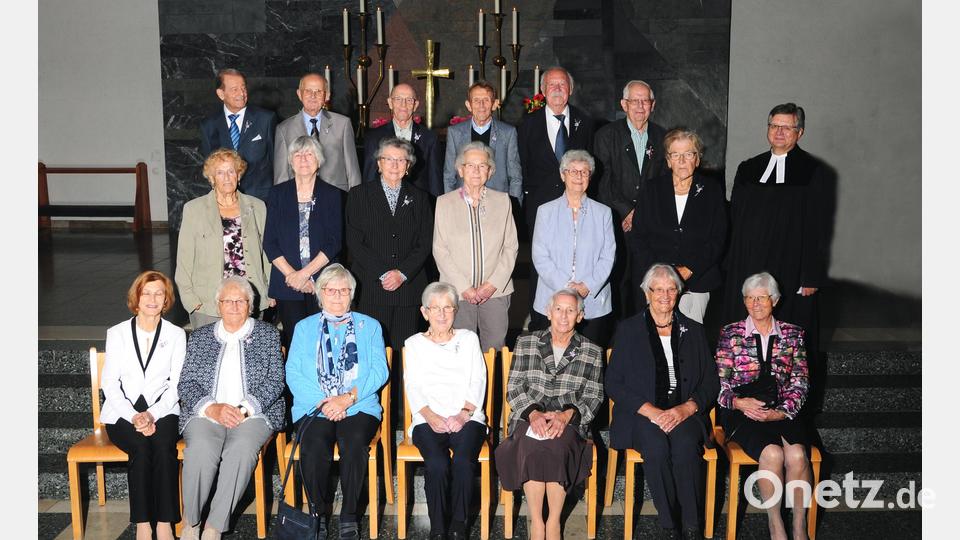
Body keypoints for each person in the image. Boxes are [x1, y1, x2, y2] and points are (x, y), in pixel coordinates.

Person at [720, 103, 828, 405]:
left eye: (787, 127)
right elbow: (736, 220)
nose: (779, 132)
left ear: (799, 132)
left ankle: (790, 405)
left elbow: (819, 228)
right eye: (774, 125)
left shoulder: (813, 172)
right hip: (749, 264)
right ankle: (743, 400)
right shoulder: (749, 168)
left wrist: (810, 275)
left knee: (789, 339)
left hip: (791, 268)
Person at [605, 264, 719, 540]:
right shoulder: (629, 330)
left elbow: (711, 383)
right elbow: (613, 383)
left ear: (678, 294)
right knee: (655, 448)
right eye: (659, 290)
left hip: (684, 412)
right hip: (643, 414)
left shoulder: (694, 330)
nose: (665, 296)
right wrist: (653, 413)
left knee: (684, 447)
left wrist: (687, 408)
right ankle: (669, 526)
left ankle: (691, 526)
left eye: (671, 289)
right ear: (647, 294)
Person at [177, 276, 286, 540]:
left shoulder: (268, 334)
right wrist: (211, 408)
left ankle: (214, 526)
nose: (235, 306)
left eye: (241, 301)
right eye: (228, 301)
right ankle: (191, 523)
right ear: (218, 306)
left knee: (241, 450)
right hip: (207, 413)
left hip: (254, 414)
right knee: (201, 449)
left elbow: (275, 381)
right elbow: (186, 382)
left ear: (251, 305)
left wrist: (244, 409)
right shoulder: (200, 337)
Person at [286, 263, 389, 540]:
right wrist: (323, 402)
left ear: (352, 294)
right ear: (320, 293)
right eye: (331, 290)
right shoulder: (304, 328)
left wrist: (347, 398)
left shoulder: (370, 327)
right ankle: (317, 514)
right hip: (315, 406)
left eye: (344, 290)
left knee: (354, 443)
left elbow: (380, 370)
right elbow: (293, 372)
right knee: (314, 444)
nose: (337, 296)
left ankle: (349, 515)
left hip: (358, 404)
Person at [495, 289, 604, 540]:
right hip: (528, 417)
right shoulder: (526, 342)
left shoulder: (592, 351)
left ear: (580, 316)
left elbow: (595, 395)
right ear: (548, 312)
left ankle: (553, 521)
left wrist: (567, 416)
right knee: (532, 445)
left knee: (557, 446)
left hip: (569, 421)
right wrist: (533, 414)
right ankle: (537, 522)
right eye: (558, 309)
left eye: (570, 310)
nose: (563, 316)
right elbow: (514, 386)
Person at [715, 272, 811, 540]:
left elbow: (801, 382)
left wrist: (781, 411)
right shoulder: (730, 334)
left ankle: (799, 524)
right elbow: (720, 387)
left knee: (797, 456)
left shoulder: (794, 334)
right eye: (749, 298)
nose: (755, 303)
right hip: (743, 411)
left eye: (762, 297)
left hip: (783, 409)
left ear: (775, 300)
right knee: (772, 454)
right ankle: (775, 522)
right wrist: (739, 402)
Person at [100, 271, 186, 540]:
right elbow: (110, 383)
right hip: (122, 413)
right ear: (136, 298)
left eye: (159, 293)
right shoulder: (117, 333)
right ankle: (142, 524)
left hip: (163, 409)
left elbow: (177, 384)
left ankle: (164, 523)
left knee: (162, 448)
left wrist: (152, 413)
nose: (152, 298)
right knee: (140, 447)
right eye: (146, 293)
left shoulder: (176, 334)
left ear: (166, 299)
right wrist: (134, 416)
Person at [403, 282, 488, 540]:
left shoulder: (468, 339)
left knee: (463, 462)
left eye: (447, 308)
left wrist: (463, 414)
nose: (441, 314)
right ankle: (438, 530)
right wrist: (431, 416)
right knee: (437, 464)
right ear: (424, 312)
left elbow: (478, 379)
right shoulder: (414, 344)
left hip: (468, 416)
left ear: (455, 311)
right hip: (426, 418)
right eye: (435, 308)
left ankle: (458, 527)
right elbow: (413, 385)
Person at [518, 67, 596, 323]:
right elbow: (522, 166)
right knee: (542, 264)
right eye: (551, 84)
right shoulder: (528, 125)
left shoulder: (585, 123)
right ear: (542, 91)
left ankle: (575, 317)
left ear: (570, 90)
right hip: (541, 208)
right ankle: (540, 318)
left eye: (562, 84)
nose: (557, 89)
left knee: (575, 259)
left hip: (576, 206)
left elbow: (591, 166)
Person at [346, 136, 433, 354]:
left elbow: (425, 242)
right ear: (378, 164)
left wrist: (402, 273)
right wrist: (384, 273)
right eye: (388, 159)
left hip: (408, 288)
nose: (394, 165)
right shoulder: (359, 195)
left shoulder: (421, 198)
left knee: (405, 352)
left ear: (408, 166)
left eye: (401, 160)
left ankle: (402, 390)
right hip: (371, 287)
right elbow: (354, 242)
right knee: (371, 351)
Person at [630, 129, 727, 323]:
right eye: (676, 155)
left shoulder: (712, 190)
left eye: (688, 154)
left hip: (697, 281)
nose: (682, 161)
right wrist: (659, 274)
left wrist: (689, 269)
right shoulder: (651, 189)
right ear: (668, 160)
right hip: (656, 282)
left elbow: (718, 238)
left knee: (689, 343)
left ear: (697, 159)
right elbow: (639, 236)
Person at [433, 142, 519, 352]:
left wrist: (492, 284)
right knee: (460, 349)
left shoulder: (503, 201)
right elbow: (440, 250)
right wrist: (465, 288)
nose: (476, 171)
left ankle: (491, 387)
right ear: (460, 169)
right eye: (470, 165)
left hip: (496, 291)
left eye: (482, 166)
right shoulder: (444, 203)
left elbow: (511, 247)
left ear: (490, 171)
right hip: (458, 292)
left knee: (494, 349)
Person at [176, 148, 272, 330]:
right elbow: (184, 258)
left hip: (249, 297)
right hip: (208, 302)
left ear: (239, 174)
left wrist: (270, 290)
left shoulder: (257, 207)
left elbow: (267, 254)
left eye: (231, 171)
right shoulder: (194, 209)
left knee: (250, 354)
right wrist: (190, 299)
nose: (227, 177)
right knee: (211, 355)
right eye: (220, 172)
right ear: (212, 178)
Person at [595, 80, 668, 318]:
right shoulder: (606, 135)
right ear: (623, 104)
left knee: (645, 285)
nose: (639, 106)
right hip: (616, 223)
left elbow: (665, 183)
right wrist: (626, 212)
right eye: (634, 101)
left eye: (644, 100)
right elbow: (602, 180)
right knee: (618, 284)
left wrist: (641, 214)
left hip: (649, 227)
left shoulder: (662, 137)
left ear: (652, 104)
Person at [264, 135, 343, 350]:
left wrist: (305, 274)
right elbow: (270, 242)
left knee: (324, 343)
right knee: (295, 342)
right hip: (287, 283)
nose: (303, 159)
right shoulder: (277, 194)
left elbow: (334, 241)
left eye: (309, 154)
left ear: (318, 160)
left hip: (323, 282)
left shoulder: (332, 194)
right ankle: (294, 385)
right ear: (290, 161)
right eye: (298, 155)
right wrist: (293, 276)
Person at [531, 149, 616, 348]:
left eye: (584, 172)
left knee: (590, 360)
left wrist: (588, 285)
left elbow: (608, 256)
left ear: (590, 177)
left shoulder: (604, 213)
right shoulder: (545, 211)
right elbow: (540, 256)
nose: (578, 176)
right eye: (573, 171)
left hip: (593, 302)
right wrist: (566, 288)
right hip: (552, 300)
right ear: (563, 175)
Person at [274, 72, 362, 193]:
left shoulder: (342, 124)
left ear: (327, 96)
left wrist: (356, 200)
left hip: (337, 196)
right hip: (299, 197)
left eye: (319, 91)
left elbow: (353, 171)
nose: (313, 96)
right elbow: (281, 176)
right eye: (308, 91)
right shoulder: (284, 129)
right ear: (299, 94)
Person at [199, 68, 277, 201]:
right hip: (225, 201)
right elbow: (210, 168)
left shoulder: (266, 119)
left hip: (261, 199)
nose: (241, 93)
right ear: (221, 94)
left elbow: (276, 161)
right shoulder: (208, 126)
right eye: (234, 89)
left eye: (243, 88)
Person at [443, 81, 523, 202]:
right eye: (476, 100)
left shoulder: (507, 133)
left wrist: (513, 208)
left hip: (497, 203)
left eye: (486, 100)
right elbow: (449, 176)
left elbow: (515, 177)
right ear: (468, 105)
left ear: (495, 104)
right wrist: (450, 205)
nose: (481, 105)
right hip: (463, 202)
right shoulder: (456, 133)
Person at [362, 83, 443, 197]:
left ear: (415, 105)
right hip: (383, 204)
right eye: (398, 99)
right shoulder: (374, 138)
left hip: (419, 205)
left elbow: (435, 181)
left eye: (409, 100)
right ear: (390, 103)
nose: (403, 105)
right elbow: (369, 178)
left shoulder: (429, 137)